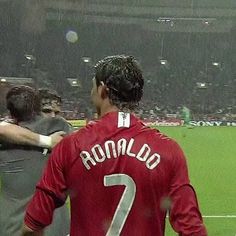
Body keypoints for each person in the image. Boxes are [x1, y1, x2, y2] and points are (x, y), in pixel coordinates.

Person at [22, 55, 207, 236]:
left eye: (92, 86)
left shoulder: (70, 147)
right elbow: (192, 228)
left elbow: (32, 226)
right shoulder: (169, 151)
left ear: (102, 89)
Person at [0, 85, 70, 236]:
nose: (53, 117)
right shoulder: (10, 137)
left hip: (50, 228)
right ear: (35, 112)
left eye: (57, 113)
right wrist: (46, 141)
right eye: (47, 111)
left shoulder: (62, 132)